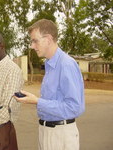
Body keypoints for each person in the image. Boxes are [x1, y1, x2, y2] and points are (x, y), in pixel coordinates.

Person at [15, 19, 85, 150]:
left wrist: (37, 102)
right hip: (46, 131)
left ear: (48, 39)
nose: (32, 46)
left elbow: (74, 107)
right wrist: (35, 99)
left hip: (60, 135)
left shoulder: (66, 64)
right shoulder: (49, 64)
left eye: (35, 40)